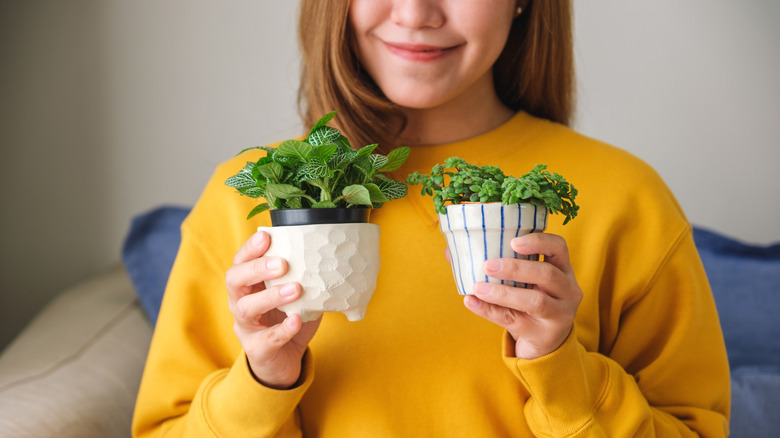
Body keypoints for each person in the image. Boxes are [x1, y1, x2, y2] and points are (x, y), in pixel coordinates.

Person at [132, 1, 730, 437]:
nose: (416, 13)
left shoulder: (625, 196)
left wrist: (563, 373)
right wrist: (263, 382)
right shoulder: (252, 197)